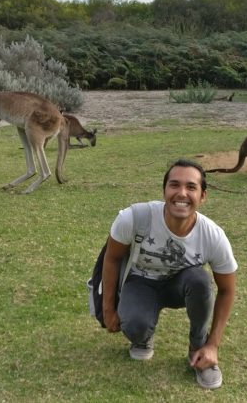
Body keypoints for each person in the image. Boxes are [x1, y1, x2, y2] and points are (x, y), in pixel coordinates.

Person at [101, 159, 238, 390]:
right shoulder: (134, 217)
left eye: (191, 187)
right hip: (141, 282)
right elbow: (112, 258)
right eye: (174, 185)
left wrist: (213, 344)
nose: (182, 193)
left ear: (203, 196)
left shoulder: (212, 235)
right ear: (164, 190)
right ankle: (142, 337)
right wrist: (108, 310)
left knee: (200, 281)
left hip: (180, 286)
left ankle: (199, 349)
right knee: (134, 325)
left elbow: (227, 289)